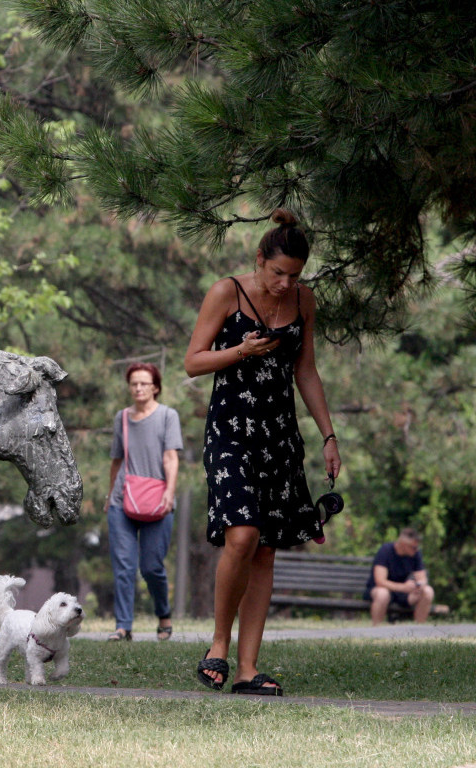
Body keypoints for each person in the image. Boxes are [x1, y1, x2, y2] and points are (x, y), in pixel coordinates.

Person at [184, 208, 341, 696]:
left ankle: (249, 670)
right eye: (278, 273)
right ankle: (218, 646)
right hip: (230, 431)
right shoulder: (225, 292)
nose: (284, 283)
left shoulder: (304, 301)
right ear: (259, 259)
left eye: (293, 275)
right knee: (243, 533)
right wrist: (240, 353)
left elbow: (306, 372)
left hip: (279, 436)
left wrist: (329, 436)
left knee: (266, 549)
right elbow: (192, 362)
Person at [105, 362, 182, 642]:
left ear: (156, 388)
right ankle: (123, 626)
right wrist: (109, 495)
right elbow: (116, 460)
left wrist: (169, 493)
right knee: (124, 566)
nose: (138, 388)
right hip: (122, 501)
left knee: (151, 567)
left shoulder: (167, 416)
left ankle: (163, 614)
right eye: (134, 384)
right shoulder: (122, 418)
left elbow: (171, 458)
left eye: (143, 383)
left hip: (158, 500)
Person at [366, 528, 434, 625]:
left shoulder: (415, 554)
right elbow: (380, 581)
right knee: (382, 594)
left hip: (402, 594)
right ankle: (376, 630)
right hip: (380, 589)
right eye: (413, 547)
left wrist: (419, 585)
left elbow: (422, 578)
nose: (416, 549)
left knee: (428, 591)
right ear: (403, 544)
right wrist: (403, 587)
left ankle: (420, 629)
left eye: (417, 547)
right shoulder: (385, 550)